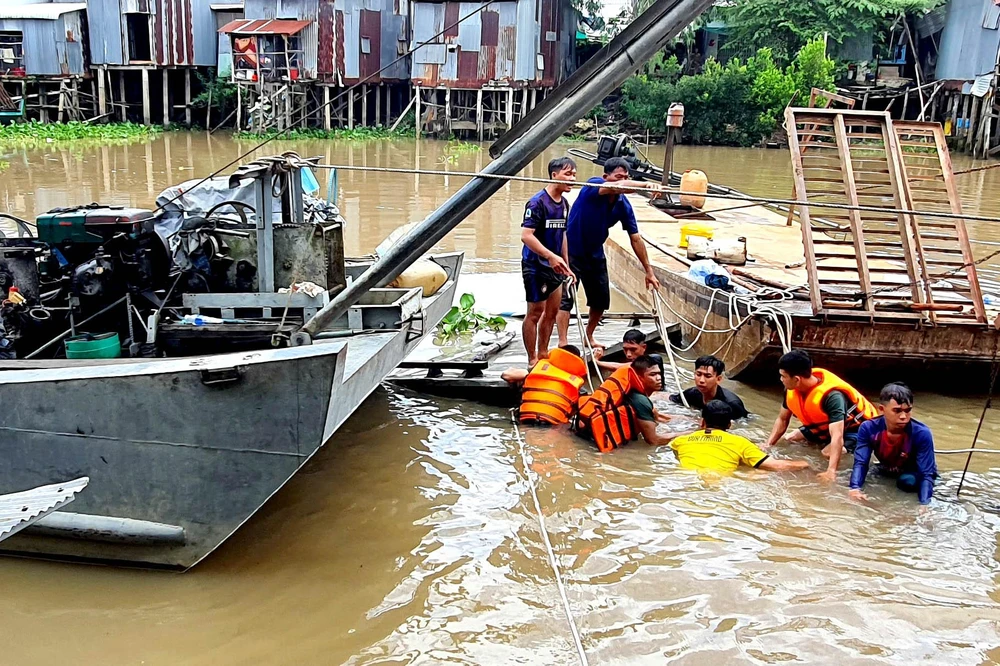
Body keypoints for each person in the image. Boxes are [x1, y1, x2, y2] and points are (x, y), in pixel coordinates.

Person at [556, 157, 661, 351]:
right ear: (606, 177)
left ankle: (588, 335)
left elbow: (635, 238)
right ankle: (563, 341)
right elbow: (618, 186)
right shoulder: (593, 186)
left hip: (595, 252)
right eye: (618, 177)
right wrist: (646, 184)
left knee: (601, 299)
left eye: (626, 177)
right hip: (571, 251)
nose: (622, 180)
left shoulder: (623, 205)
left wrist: (649, 271)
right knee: (566, 299)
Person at [763, 350, 878, 483]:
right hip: (824, 428)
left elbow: (837, 435)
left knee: (826, 453)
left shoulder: (833, 397)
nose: (781, 379)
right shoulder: (791, 389)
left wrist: (831, 471)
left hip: (856, 430)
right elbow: (783, 419)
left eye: (783, 376)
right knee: (789, 438)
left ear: (796, 379)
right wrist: (768, 444)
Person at [521, 156, 577, 366]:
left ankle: (543, 353)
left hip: (555, 266)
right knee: (535, 312)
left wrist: (566, 263)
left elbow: (562, 234)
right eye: (568, 174)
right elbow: (527, 235)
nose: (572, 178)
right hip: (536, 265)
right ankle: (532, 359)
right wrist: (550, 256)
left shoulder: (564, 204)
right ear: (554, 175)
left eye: (573, 174)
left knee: (552, 312)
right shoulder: (537, 203)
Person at [850, 383, 937, 505]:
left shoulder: (922, 433)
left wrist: (924, 504)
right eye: (897, 411)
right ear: (882, 409)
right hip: (887, 469)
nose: (903, 416)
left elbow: (926, 473)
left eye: (908, 411)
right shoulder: (868, 428)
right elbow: (861, 462)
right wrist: (855, 488)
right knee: (854, 475)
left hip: (912, 474)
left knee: (906, 482)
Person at [670, 401, 812, 473]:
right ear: (729, 425)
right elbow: (777, 466)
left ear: (702, 423)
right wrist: (806, 464)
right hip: (720, 485)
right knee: (760, 473)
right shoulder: (740, 443)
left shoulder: (680, 441)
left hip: (685, 478)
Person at [576, 354, 674, 451]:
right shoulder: (641, 402)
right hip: (594, 444)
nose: (659, 378)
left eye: (659, 373)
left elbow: (657, 417)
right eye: (652, 375)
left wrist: (684, 419)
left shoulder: (628, 390)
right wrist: (686, 433)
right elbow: (654, 441)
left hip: (584, 433)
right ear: (639, 377)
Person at [515, 345, 588, 426]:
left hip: (526, 418)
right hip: (552, 424)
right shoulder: (577, 385)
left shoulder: (538, 371)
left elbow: (506, 375)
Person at [669, 355, 749, 419]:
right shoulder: (691, 394)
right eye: (698, 374)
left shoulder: (732, 404)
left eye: (707, 376)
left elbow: (741, 426)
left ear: (718, 379)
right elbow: (671, 400)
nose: (701, 380)